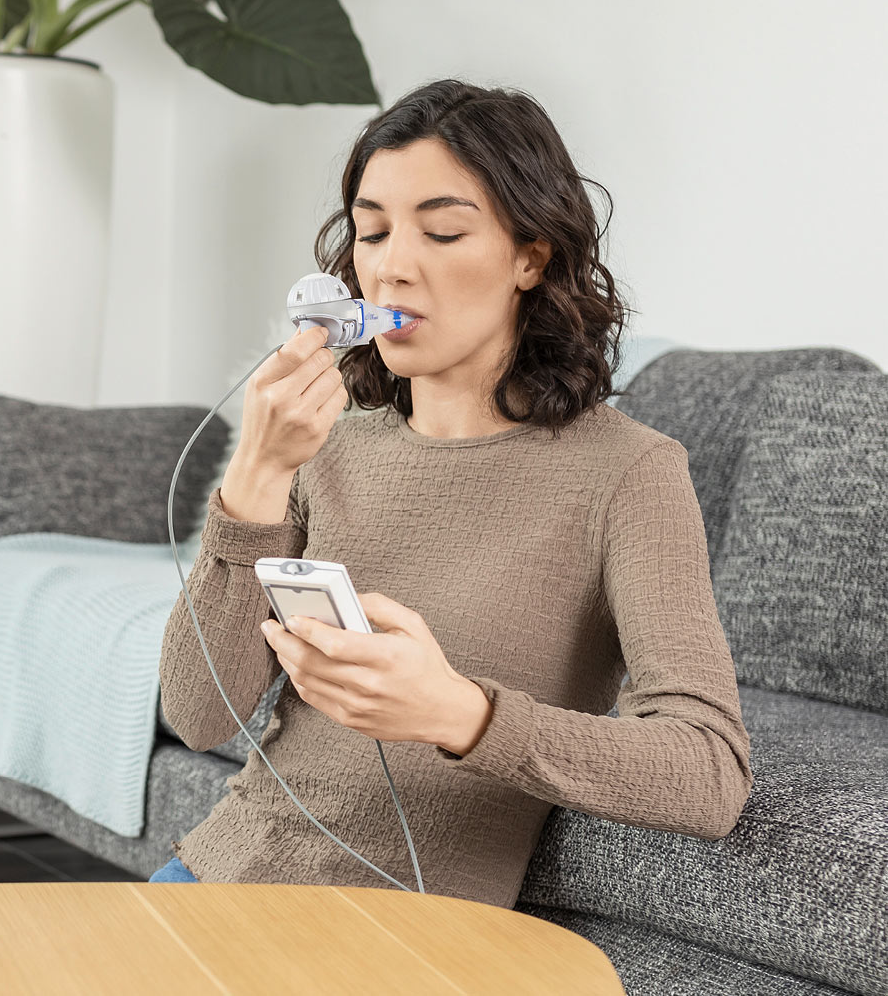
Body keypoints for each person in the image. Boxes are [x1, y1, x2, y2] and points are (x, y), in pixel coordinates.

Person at [149, 78, 753, 906]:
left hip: (404, 937)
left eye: (440, 230)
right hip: (207, 878)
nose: (392, 266)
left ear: (530, 255)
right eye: (371, 231)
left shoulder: (629, 472)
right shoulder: (324, 448)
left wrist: (459, 713)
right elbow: (198, 713)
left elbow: (708, 770)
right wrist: (255, 476)